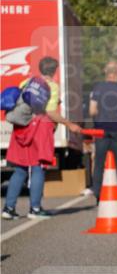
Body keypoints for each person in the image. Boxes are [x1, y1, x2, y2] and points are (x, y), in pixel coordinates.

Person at [2, 57, 81, 220]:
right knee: (38, 168)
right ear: (54, 70)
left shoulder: (27, 82)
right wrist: (69, 124)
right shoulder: (52, 86)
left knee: (20, 169)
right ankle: (35, 209)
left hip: (21, 129)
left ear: (41, 68)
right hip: (39, 129)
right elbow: (50, 112)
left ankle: (8, 209)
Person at [89, 61, 117, 201]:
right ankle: (115, 190)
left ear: (105, 71)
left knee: (99, 161)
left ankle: (97, 193)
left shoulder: (98, 88)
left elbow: (92, 110)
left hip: (102, 129)